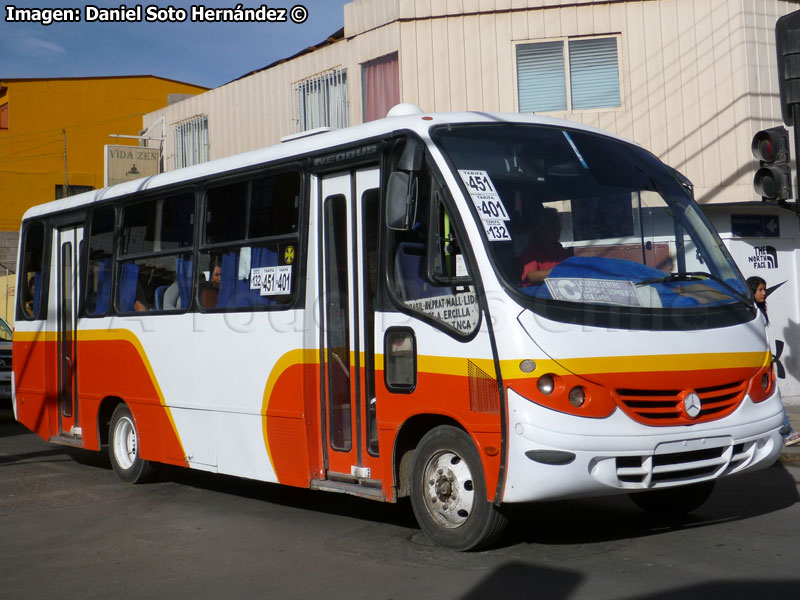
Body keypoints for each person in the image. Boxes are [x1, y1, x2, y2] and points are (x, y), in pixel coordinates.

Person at [747, 275, 800, 446]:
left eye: (764, 289)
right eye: (760, 290)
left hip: (762, 361)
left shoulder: (757, 308)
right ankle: (786, 433)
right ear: (752, 291)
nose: (764, 293)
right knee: (772, 396)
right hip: (755, 363)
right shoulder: (751, 310)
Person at [520, 207, 573, 285]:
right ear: (540, 229)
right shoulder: (531, 252)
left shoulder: (563, 253)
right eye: (551, 224)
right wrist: (559, 271)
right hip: (534, 296)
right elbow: (532, 276)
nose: (557, 228)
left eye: (557, 224)